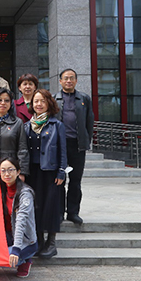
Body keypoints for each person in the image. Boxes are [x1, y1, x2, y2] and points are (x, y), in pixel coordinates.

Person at [0, 158, 37, 280]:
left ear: (18, 172)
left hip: (25, 241)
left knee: (6, 258)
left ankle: (26, 260)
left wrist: (16, 249)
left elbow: (21, 222)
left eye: (11, 170)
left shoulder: (25, 194)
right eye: (3, 170)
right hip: (5, 235)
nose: (7, 174)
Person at [26, 89, 67, 259]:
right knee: (36, 206)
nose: (39, 104)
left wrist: (61, 171)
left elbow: (63, 151)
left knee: (51, 206)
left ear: (49, 103)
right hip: (33, 172)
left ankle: (51, 242)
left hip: (51, 172)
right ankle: (39, 241)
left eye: (42, 101)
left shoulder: (57, 125)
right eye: (36, 101)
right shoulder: (27, 125)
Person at [54, 69, 94, 225]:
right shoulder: (54, 99)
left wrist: (85, 140)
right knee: (59, 181)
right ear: (60, 81)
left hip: (77, 145)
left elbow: (89, 121)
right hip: (59, 145)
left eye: (71, 78)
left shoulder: (84, 98)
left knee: (75, 181)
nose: (69, 81)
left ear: (76, 81)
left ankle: (73, 212)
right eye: (66, 78)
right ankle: (58, 213)